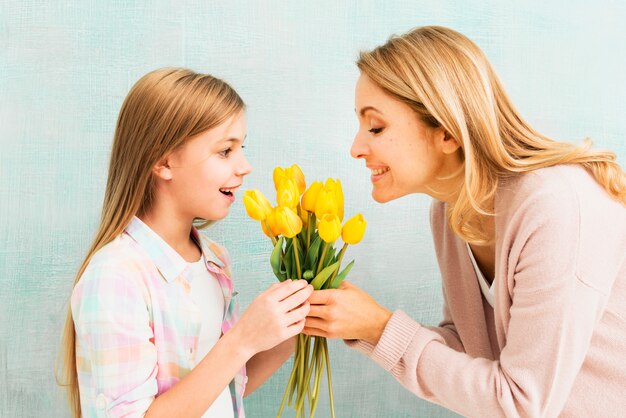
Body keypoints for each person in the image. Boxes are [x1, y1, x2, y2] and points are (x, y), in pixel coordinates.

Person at [304, 26, 626, 417]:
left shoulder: (554, 207)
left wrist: (381, 327)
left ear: (448, 132)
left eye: (376, 127)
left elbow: (523, 404)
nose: (357, 148)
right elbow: (471, 348)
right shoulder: (450, 210)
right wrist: (362, 325)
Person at [58, 68, 313, 418]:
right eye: (225, 151)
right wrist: (243, 340)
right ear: (164, 161)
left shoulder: (213, 259)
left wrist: (292, 327)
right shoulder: (116, 277)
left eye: (242, 147)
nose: (245, 166)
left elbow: (222, 388)